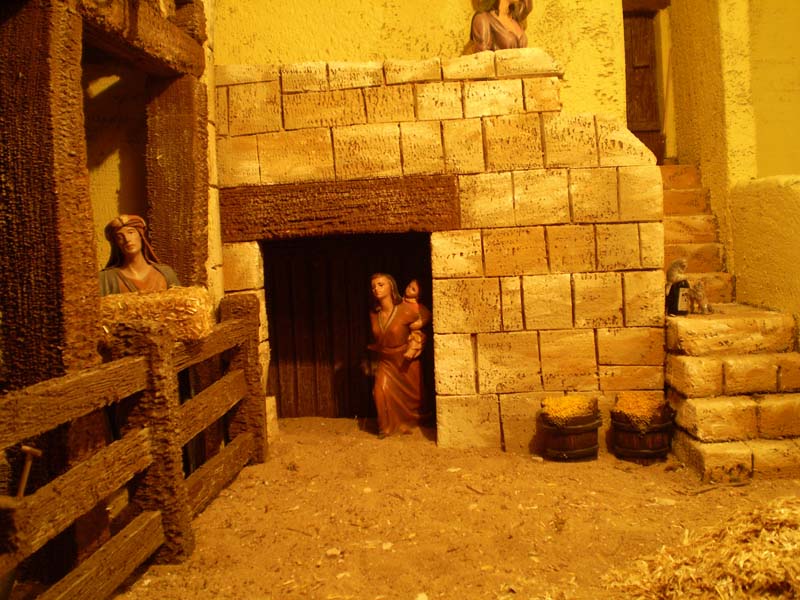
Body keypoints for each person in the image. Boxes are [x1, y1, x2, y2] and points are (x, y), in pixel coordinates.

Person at [367, 273, 431, 438]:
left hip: (405, 362)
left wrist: (415, 343)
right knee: (379, 391)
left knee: (413, 399)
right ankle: (386, 428)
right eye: (373, 286)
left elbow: (421, 330)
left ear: (391, 287)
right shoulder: (374, 314)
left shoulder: (406, 310)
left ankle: (409, 423)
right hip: (386, 361)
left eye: (381, 285)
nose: (376, 289)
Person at [98, 214, 180, 296]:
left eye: (130, 232)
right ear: (116, 244)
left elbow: (180, 300)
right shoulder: (106, 278)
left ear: (140, 235)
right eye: (119, 237)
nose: (127, 239)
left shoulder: (166, 273)